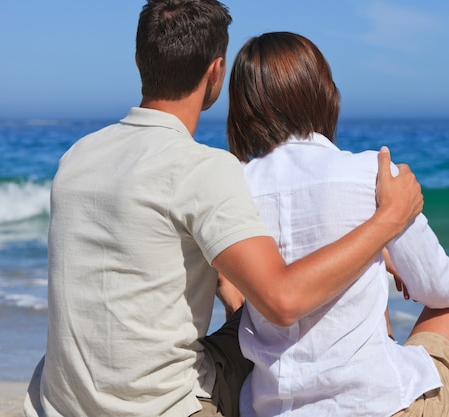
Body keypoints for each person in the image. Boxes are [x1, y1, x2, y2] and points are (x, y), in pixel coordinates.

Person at [22, 2, 424, 417]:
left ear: (139, 60)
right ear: (216, 73)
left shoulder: (77, 158)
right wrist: (385, 224)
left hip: (61, 403)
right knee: (276, 331)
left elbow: (144, 252)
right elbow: (282, 300)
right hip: (163, 407)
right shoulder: (201, 168)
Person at [226, 32, 449, 417]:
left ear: (244, 108)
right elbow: (441, 289)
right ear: (323, 93)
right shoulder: (372, 173)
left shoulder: (234, 186)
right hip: (377, 406)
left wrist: (376, 255)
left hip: (272, 408)